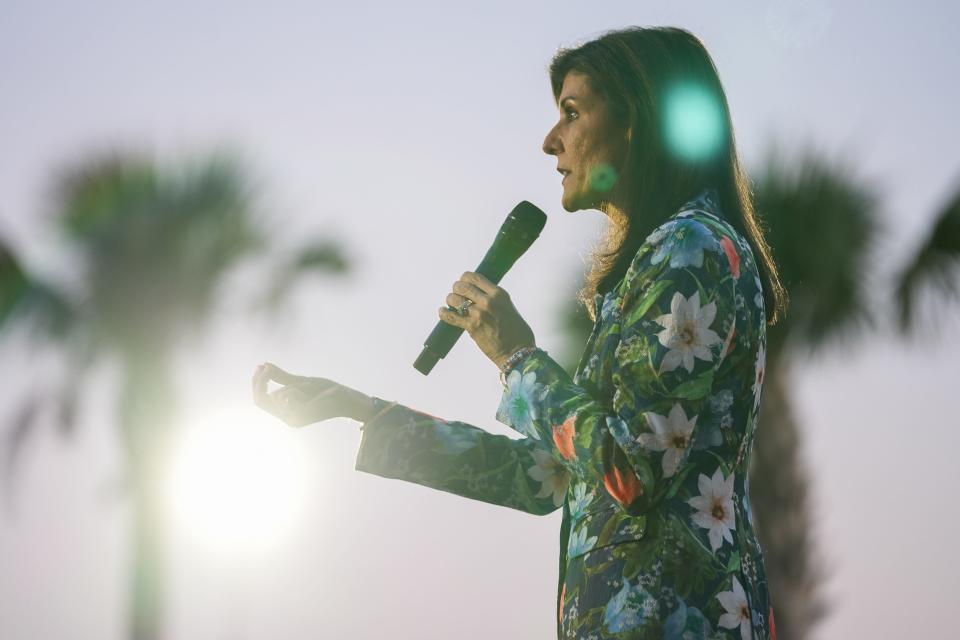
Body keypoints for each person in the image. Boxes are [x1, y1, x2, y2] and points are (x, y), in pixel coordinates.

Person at [252, 25, 788, 640]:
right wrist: (362, 412)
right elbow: (545, 475)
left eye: (571, 112)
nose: (549, 141)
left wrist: (517, 355)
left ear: (634, 118)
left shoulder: (690, 246)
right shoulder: (657, 261)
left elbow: (631, 471)